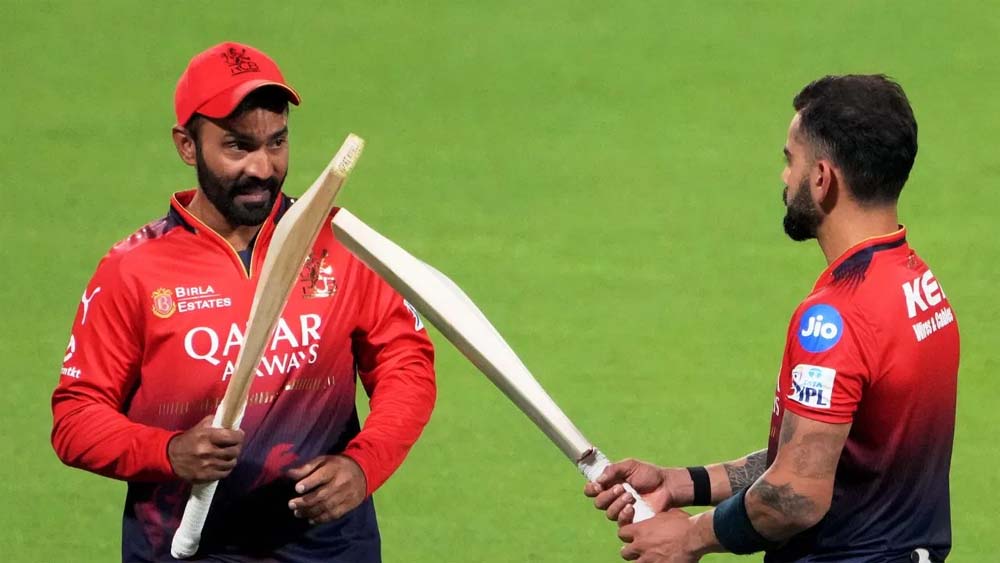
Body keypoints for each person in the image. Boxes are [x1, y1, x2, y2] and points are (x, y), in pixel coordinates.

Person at [51, 42, 436, 562]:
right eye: (238, 146)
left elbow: (405, 364)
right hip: (183, 547)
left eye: (277, 142)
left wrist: (365, 465)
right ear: (187, 146)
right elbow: (76, 420)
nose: (263, 167)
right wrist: (167, 451)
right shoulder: (133, 270)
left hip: (329, 546)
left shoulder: (340, 243)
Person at [585, 75, 959, 563]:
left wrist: (690, 536)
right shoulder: (921, 288)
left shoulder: (836, 318)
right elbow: (827, 456)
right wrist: (682, 483)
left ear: (822, 178)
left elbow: (796, 493)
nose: (785, 177)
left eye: (790, 160)